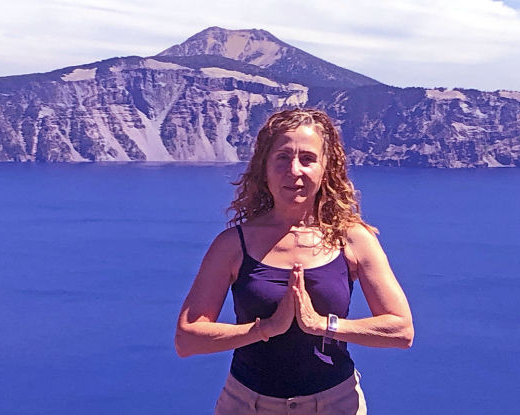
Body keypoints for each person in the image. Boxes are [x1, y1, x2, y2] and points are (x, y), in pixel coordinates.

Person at [174, 108, 413, 414]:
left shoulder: (352, 238)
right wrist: (267, 328)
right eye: (283, 157)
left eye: (308, 159)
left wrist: (322, 325)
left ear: (326, 168)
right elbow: (187, 339)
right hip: (248, 405)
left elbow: (401, 330)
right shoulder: (232, 245)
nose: (294, 170)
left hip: (335, 405)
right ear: (265, 168)